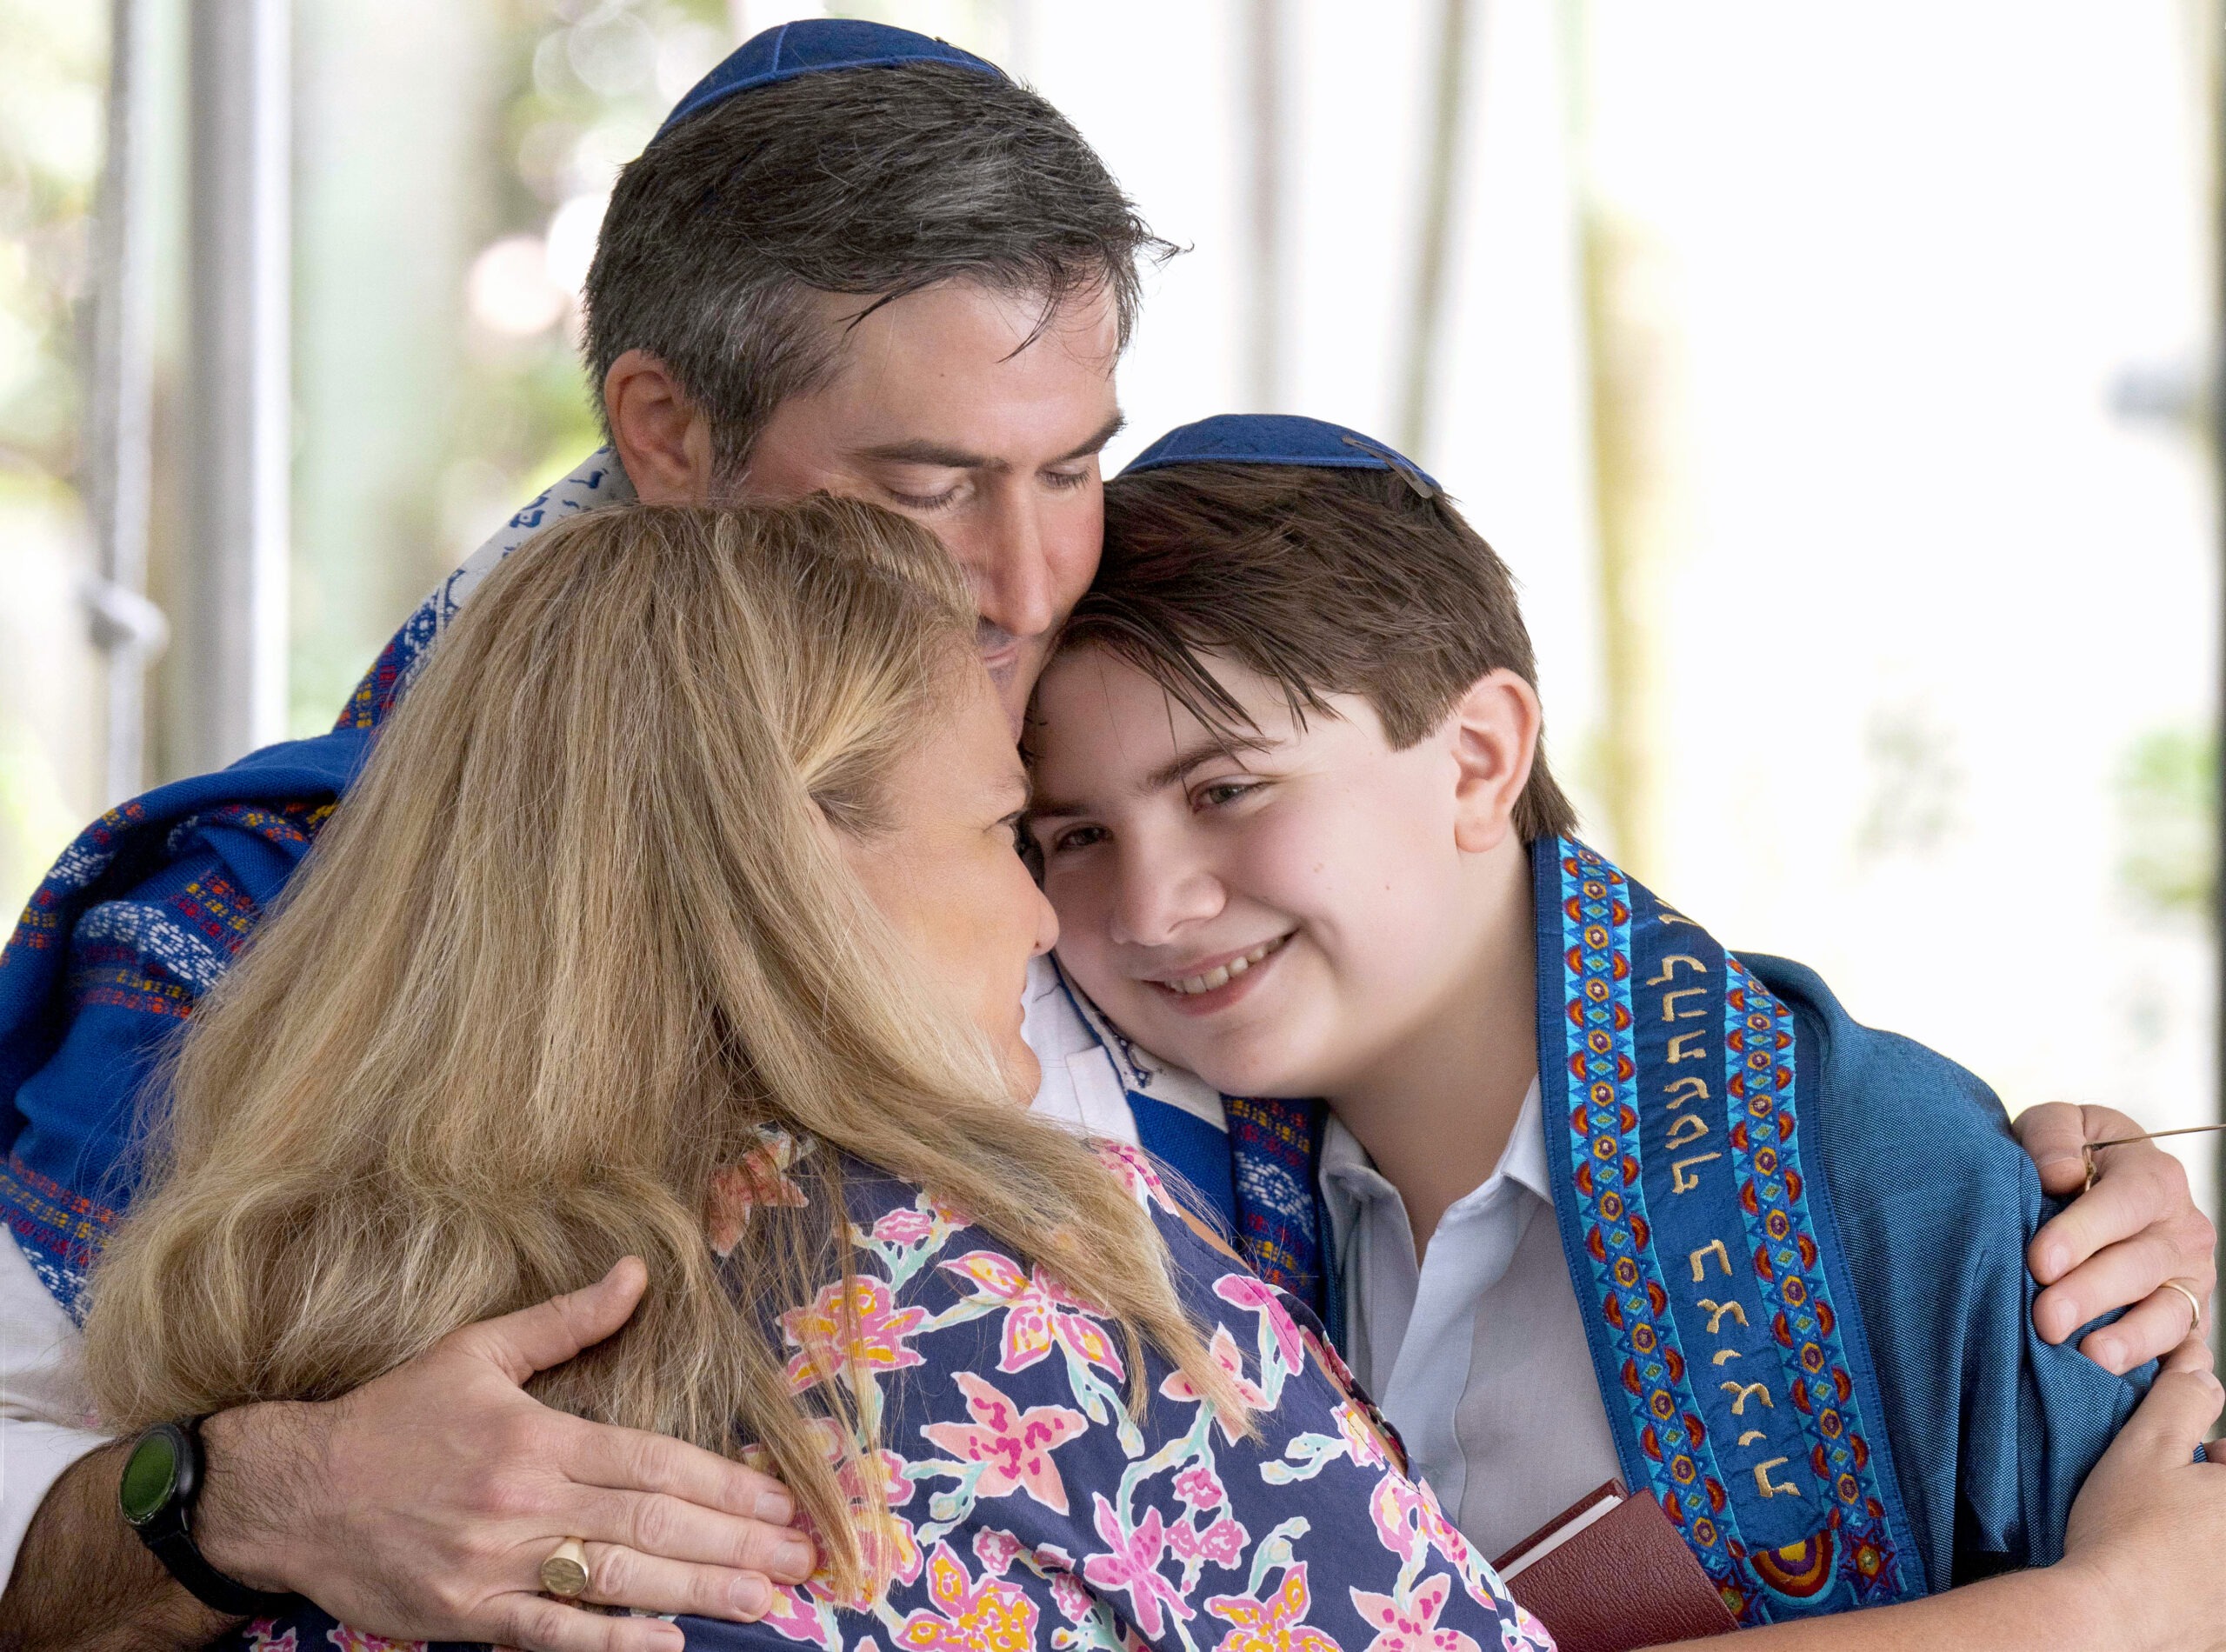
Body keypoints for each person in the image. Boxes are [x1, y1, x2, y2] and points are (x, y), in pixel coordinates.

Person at [0, 19, 2206, 1650]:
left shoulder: (1099, 788)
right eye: (932, 481)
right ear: (663, 429)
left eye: (1071, 463)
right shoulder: (240, 933)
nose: (1029, 573)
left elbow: (1490, 973)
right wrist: (254, 1489)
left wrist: (1994, 1187)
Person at [82, 497, 1558, 1652]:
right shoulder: (1010, 1283)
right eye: (1007, 833)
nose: (1047, 923)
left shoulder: (275, 1300)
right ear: (792, 869)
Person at [1023, 414, 2224, 1628]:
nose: (1151, 906)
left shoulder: (1895, 1179)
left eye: (1227, 790)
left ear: (1479, 760)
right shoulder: (1155, 1225)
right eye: (1074, 836)